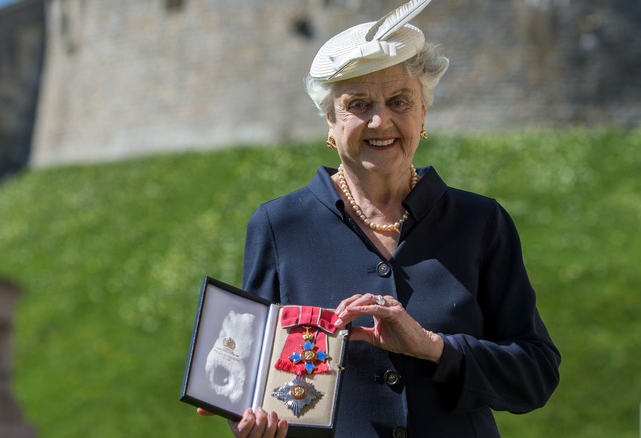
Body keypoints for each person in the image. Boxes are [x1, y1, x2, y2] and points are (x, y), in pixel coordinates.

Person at [199, 1, 560, 436]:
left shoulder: (480, 222)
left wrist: (433, 347)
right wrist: (252, 420)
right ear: (330, 122)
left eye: (399, 101)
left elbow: (535, 375)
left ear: (423, 114)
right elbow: (254, 378)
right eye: (358, 104)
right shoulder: (280, 225)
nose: (380, 119)